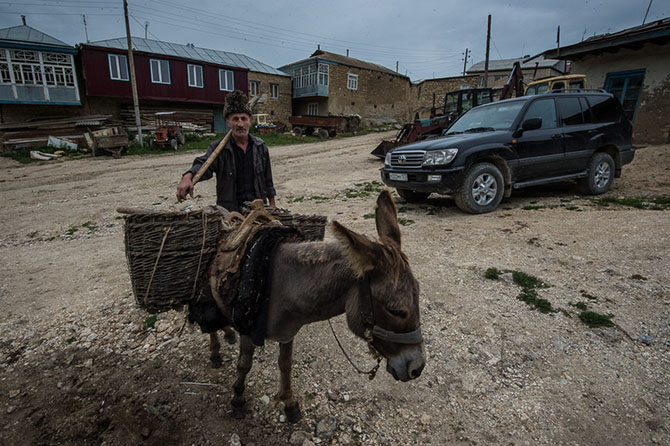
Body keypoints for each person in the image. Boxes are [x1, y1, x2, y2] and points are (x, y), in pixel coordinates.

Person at [176, 90, 276, 211]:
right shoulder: (218, 148)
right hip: (230, 211)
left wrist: (272, 205)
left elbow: (268, 180)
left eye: (244, 118)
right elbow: (203, 165)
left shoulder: (260, 146)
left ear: (250, 121)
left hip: (258, 210)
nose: (240, 124)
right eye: (235, 119)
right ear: (228, 122)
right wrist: (187, 177)